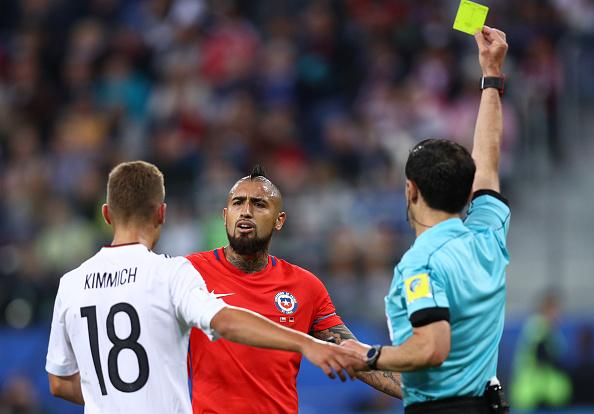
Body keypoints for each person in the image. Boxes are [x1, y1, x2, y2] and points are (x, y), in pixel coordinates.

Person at [45, 161, 364, 413]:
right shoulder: (170, 273)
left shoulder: (70, 284)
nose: (247, 212)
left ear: (106, 214)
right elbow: (224, 320)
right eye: (238, 203)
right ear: (162, 213)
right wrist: (306, 344)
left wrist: (118, 403)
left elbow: (59, 383)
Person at [342, 26, 511, 413]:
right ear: (469, 192)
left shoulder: (422, 262)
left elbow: (432, 347)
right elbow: (488, 162)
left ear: (410, 189)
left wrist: (368, 355)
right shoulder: (488, 232)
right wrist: (491, 76)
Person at [185, 166, 402, 414]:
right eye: (238, 203)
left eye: (259, 204)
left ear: (280, 220)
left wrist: (427, 395)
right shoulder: (188, 273)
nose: (246, 211)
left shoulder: (304, 286)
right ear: (225, 215)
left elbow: (349, 353)